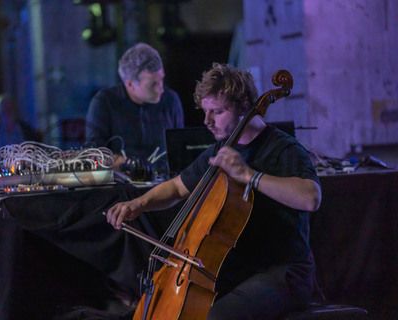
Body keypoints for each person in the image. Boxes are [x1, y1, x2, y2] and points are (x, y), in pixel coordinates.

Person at [106, 63, 322, 319]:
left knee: (218, 317)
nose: (207, 121)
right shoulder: (221, 151)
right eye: (205, 112)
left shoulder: (283, 149)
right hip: (238, 269)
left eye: (217, 112)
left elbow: (311, 197)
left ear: (244, 109)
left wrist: (249, 175)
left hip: (283, 271)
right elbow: (177, 186)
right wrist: (138, 204)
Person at [85, 43, 184, 176]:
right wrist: (130, 166)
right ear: (130, 84)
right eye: (153, 84)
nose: (161, 88)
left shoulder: (171, 100)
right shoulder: (104, 102)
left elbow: (180, 148)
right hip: (120, 185)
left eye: (161, 80)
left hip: (164, 184)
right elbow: (94, 153)